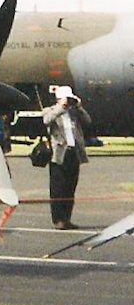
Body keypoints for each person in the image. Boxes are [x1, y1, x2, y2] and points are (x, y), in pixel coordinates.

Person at [43, 86, 90, 230]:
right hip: (58, 154)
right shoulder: (51, 110)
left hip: (73, 152)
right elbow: (46, 120)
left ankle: (67, 218)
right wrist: (60, 107)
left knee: (70, 186)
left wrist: (79, 107)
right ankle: (58, 219)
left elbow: (88, 120)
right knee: (58, 187)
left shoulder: (74, 113)